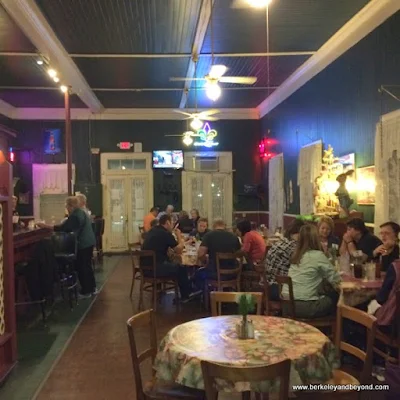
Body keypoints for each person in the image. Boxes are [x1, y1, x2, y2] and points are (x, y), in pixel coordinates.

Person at [37, 196, 97, 297]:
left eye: (66, 206)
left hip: (83, 243)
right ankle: (92, 288)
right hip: (88, 242)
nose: (66, 208)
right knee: (87, 267)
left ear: (71, 206)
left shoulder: (76, 215)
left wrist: (46, 226)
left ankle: (86, 291)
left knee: (82, 267)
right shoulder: (81, 212)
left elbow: (64, 228)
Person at [282, 224, 341, 318]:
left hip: (287, 305)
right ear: (316, 239)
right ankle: (336, 330)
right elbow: (335, 279)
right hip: (307, 307)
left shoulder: (296, 255)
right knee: (335, 296)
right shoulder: (318, 255)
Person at [142, 214, 192, 302]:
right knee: (181, 268)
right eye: (172, 222)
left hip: (145, 269)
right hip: (157, 269)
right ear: (167, 222)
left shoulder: (153, 230)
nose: (173, 225)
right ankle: (186, 296)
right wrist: (179, 235)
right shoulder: (165, 233)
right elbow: (179, 250)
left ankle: (161, 290)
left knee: (174, 264)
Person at [263, 219, 305, 300]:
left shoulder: (281, 242)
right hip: (279, 289)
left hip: (267, 286)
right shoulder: (293, 246)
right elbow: (303, 267)